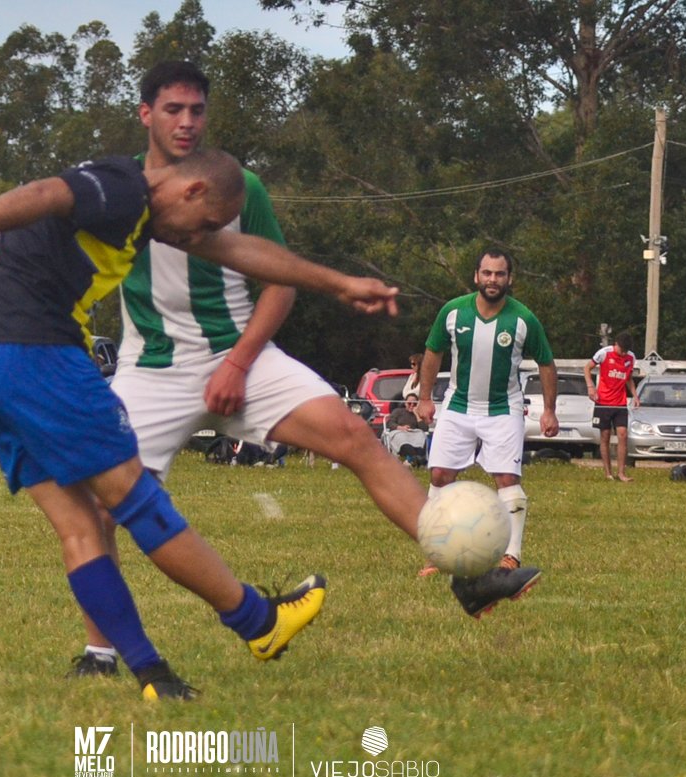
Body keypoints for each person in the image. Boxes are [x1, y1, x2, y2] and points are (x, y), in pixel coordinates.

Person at [0, 148, 399, 700]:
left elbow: (239, 251)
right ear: (191, 191)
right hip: (38, 351)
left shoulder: (148, 214)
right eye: (204, 222)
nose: (200, 238)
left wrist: (338, 283)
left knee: (81, 527)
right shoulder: (123, 189)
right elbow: (43, 193)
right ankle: (258, 621)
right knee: (139, 501)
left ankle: (153, 676)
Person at [68, 61, 438, 676]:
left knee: (354, 435)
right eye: (173, 109)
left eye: (197, 110)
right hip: (150, 367)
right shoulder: (117, 187)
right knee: (99, 505)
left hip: (243, 353)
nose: (187, 122)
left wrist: (238, 362)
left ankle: (460, 566)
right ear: (145, 114)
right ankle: (99, 655)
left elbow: (279, 281)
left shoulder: (239, 186)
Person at [415, 248, 558, 618]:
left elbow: (546, 363)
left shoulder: (524, 319)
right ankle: (437, 555)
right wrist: (425, 398)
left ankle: (511, 556)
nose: (493, 280)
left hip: (503, 409)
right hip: (458, 405)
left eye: (500, 274)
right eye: (487, 273)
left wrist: (549, 410)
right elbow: (432, 352)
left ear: (510, 279)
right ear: (476, 276)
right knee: (439, 475)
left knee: (507, 478)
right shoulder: (452, 312)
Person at [584, 332, 638, 481]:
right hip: (603, 401)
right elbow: (587, 368)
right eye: (622, 350)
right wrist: (590, 387)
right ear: (616, 344)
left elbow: (629, 378)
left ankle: (621, 473)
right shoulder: (604, 353)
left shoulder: (631, 357)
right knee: (605, 436)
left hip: (620, 403)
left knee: (623, 435)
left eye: (626, 351)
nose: (623, 353)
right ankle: (608, 473)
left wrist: (635, 395)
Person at [382, 393, 429, 465]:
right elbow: (390, 423)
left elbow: (424, 429)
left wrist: (417, 415)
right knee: (405, 443)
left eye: (414, 404)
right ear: (405, 403)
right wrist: (401, 428)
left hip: (414, 434)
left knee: (420, 439)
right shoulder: (398, 411)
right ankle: (415, 459)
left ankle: (417, 459)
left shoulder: (419, 414)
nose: (412, 406)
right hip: (400, 432)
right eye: (409, 403)